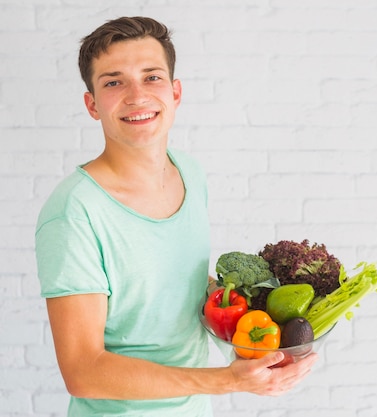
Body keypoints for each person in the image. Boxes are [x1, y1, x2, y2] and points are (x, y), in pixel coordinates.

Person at [35, 16, 317, 416]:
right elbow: (84, 371)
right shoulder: (74, 212)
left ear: (175, 92)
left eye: (151, 77)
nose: (137, 95)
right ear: (92, 105)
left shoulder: (189, 173)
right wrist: (226, 381)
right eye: (113, 82)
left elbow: (176, 290)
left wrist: (262, 341)